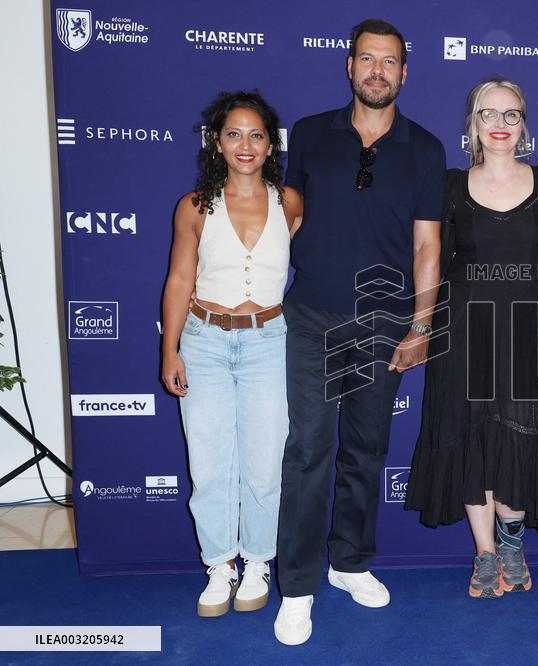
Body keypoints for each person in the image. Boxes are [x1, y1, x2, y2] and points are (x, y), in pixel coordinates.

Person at [272, 18, 446, 645]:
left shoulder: (425, 149)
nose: (378, 71)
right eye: (367, 60)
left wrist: (422, 324)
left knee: (367, 452)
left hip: (383, 322)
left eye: (390, 61)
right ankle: (296, 586)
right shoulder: (313, 135)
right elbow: (286, 216)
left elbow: (428, 246)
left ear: (405, 72)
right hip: (311, 318)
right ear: (349, 67)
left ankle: (349, 562)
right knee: (308, 452)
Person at [405, 77, 538, 599]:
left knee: (520, 436)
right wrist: (421, 325)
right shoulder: (451, 187)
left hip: (529, 332)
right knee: (472, 437)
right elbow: (431, 258)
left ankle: (512, 544)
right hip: (465, 333)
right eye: (488, 114)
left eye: (511, 115)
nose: (499, 125)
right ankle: (484, 552)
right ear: (472, 123)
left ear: (524, 125)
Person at [161, 90, 302, 618]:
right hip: (204, 343)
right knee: (211, 463)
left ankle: (258, 562)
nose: (246, 145)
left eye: (257, 135)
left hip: (269, 342)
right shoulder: (195, 206)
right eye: (234, 134)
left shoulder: (290, 202)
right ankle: (219, 565)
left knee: (265, 464)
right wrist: (170, 349)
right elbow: (179, 280)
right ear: (216, 142)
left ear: (271, 144)